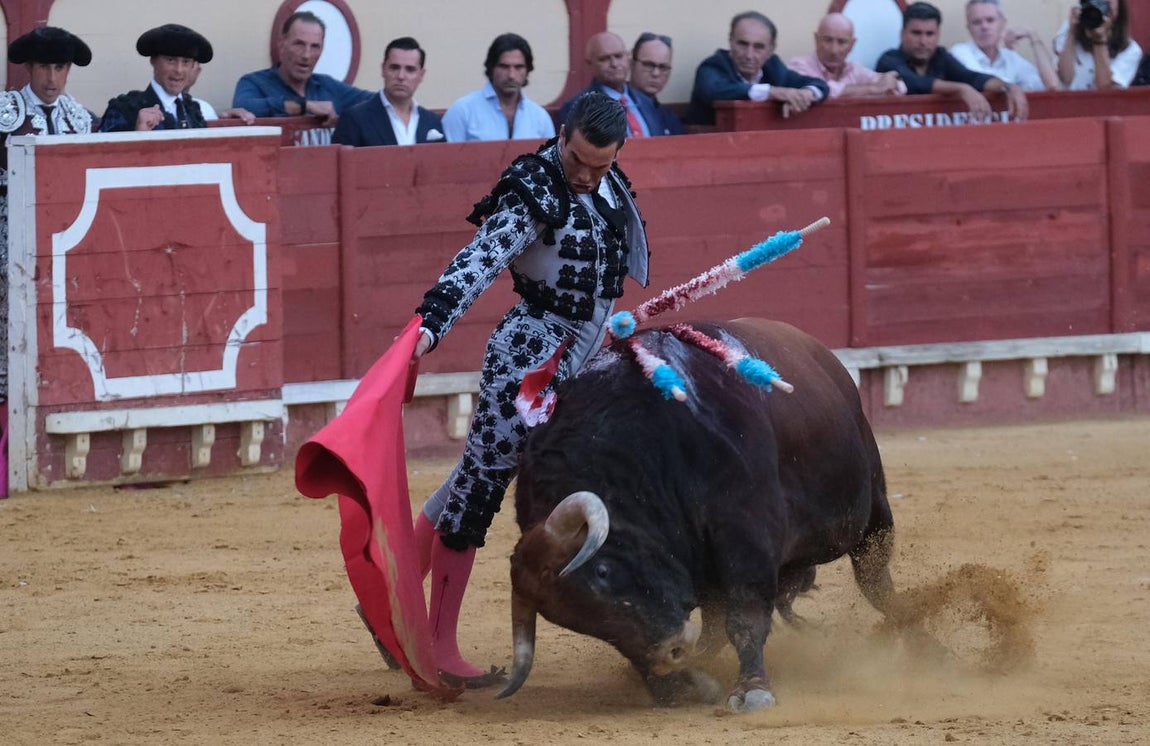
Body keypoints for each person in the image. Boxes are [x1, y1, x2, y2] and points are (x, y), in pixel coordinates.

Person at [407, 91, 648, 686]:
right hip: (529, 352)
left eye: (602, 163)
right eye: (578, 161)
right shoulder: (535, 186)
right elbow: (479, 261)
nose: (588, 175)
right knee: (480, 489)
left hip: (588, 354)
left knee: (475, 477)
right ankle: (435, 644)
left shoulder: (609, 181)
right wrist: (432, 323)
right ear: (561, 135)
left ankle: (392, 597)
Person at [1, 26, 94, 402]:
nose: (52, 78)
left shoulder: (81, 119)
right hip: (8, 243)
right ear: (29, 67)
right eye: (44, 67)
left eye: (60, 67)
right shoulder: (3, 112)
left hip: (63, 248)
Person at [877, 2, 1029, 121]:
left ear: (938, 35)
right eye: (916, 33)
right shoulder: (889, 60)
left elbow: (971, 77)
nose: (923, 41)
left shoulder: (940, 56)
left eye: (930, 34)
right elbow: (914, 82)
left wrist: (1007, 86)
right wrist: (961, 89)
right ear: (903, 34)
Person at [686, 11, 830, 125]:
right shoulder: (713, 66)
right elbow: (715, 91)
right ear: (730, 41)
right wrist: (772, 92)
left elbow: (820, 85)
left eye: (758, 47)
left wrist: (808, 94)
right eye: (742, 44)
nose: (749, 55)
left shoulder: (773, 67)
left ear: (770, 50)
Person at [231, 11, 373, 126]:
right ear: (282, 43)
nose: (306, 55)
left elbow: (379, 102)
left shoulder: (328, 86)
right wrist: (304, 106)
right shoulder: (255, 83)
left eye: (314, 47)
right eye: (299, 44)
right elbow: (243, 107)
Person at [440, 33, 555, 142]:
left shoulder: (540, 117)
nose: (511, 75)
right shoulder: (463, 111)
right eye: (504, 67)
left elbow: (551, 161)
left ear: (527, 70)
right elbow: (445, 159)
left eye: (518, 67)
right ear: (491, 68)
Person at [98, 24, 214, 132]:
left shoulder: (193, 110)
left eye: (186, 62)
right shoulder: (125, 109)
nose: (178, 70)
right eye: (170, 60)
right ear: (153, 61)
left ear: (193, 66)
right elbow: (100, 152)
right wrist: (138, 133)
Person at [332, 37, 445, 146]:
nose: (401, 76)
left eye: (410, 69)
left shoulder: (432, 122)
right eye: (394, 68)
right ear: (383, 69)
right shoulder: (354, 119)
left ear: (421, 75)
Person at [558, 31, 668, 138]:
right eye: (604, 59)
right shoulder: (578, 108)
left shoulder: (647, 103)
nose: (614, 64)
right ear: (590, 64)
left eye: (619, 56)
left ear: (628, 57)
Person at [950, 0, 1060, 90]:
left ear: (1002, 24)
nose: (984, 27)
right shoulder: (960, 52)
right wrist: (1013, 88)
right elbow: (986, 85)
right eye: (977, 22)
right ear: (969, 28)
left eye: (990, 20)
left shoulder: (1011, 57)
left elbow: (1052, 86)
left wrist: (1033, 36)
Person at [789, 13, 906, 97]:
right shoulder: (799, 66)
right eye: (827, 40)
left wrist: (892, 83)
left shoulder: (854, 69)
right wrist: (872, 89)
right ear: (816, 40)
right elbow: (819, 90)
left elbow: (899, 88)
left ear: (852, 45)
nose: (834, 50)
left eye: (842, 42)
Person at [1053, 0, 1142, 90]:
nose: (1102, 4)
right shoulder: (1069, 29)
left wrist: (1099, 41)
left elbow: (1105, 88)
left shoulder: (1131, 50)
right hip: (1070, 101)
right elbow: (1065, 78)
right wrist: (1072, 33)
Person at [629, 31, 684, 135]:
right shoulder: (617, 107)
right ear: (632, 63)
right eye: (648, 65)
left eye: (663, 67)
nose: (656, 73)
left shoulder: (669, 117)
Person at [185, 61, 255, 124]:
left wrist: (226, 121)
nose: (179, 70)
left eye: (186, 62)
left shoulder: (204, 108)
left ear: (197, 71)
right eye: (173, 60)